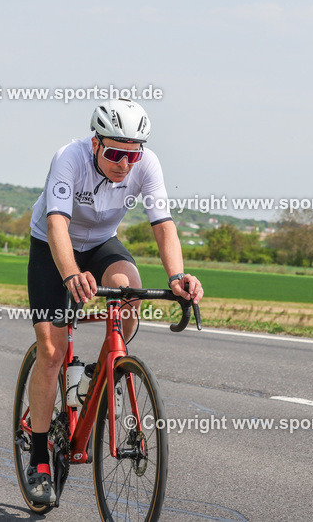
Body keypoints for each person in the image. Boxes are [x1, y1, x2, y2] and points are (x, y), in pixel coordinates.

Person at [23, 98, 204, 504]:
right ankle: (38, 460)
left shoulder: (147, 164)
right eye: (115, 154)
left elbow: (163, 225)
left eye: (132, 154)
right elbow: (57, 223)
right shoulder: (69, 158)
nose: (124, 164)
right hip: (54, 247)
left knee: (130, 290)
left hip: (102, 243)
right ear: (95, 143)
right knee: (51, 352)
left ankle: (99, 375)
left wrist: (177, 277)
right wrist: (71, 274)